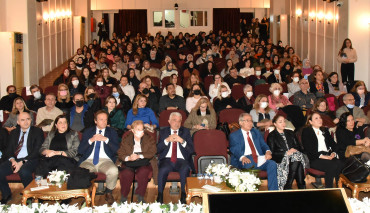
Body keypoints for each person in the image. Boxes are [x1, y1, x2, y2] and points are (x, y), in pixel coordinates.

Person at [0, 112, 44, 204]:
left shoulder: (37, 131)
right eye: (22, 120)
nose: (26, 122)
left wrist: (21, 163)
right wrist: (12, 161)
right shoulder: (13, 132)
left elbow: (36, 151)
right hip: (15, 159)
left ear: (31, 120)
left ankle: (31, 196)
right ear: (18, 122)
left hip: (31, 159)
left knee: (24, 171)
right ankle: (6, 194)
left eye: (28, 119)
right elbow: (9, 150)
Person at [77, 110, 120, 205]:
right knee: (82, 172)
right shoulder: (88, 131)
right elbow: (80, 150)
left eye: (105, 120)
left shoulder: (112, 132)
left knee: (113, 170)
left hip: (105, 160)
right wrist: (91, 140)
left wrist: (106, 140)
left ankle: (108, 192)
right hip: (88, 160)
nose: (104, 122)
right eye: (101, 120)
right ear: (95, 121)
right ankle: (86, 194)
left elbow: (117, 150)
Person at [229, 113, 278, 190]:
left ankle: (273, 191)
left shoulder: (255, 132)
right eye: (247, 121)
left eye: (251, 121)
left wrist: (268, 151)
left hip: (259, 158)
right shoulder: (234, 135)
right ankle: (251, 191)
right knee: (249, 164)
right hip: (245, 158)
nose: (250, 123)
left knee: (272, 164)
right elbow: (234, 149)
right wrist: (242, 157)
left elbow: (263, 145)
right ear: (241, 122)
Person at [157, 112, 195, 203]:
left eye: (179, 121)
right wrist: (167, 140)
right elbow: (157, 149)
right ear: (169, 121)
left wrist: (182, 141)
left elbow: (192, 150)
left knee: (185, 168)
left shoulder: (185, 131)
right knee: (163, 170)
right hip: (167, 159)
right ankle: (160, 195)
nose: (177, 123)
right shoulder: (163, 132)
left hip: (181, 160)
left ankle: (183, 194)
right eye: (174, 120)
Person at [117, 120, 157, 203]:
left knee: (144, 171)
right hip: (129, 162)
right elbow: (120, 153)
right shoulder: (126, 138)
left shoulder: (148, 137)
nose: (141, 131)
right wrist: (129, 157)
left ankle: (140, 195)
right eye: (138, 129)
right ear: (132, 130)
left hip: (143, 161)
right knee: (126, 173)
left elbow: (153, 151)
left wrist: (140, 156)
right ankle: (124, 196)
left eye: (142, 129)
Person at [301, 112, 343, 188]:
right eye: (316, 118)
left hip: (327, 155)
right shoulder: (306, 131)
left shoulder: (325, 130)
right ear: (310, 122)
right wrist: (324, 157)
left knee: (340, 163)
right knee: (332, 165)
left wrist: (333, 153)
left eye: (320, 118)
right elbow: (309, 150)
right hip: (315, 158)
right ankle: (329, 189)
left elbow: (333, 144)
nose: (319, 120)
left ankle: (339, 187)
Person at [267, 115, 306, 190]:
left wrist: (293, 150)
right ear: (275, 124)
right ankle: (301, 186)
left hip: (294, 158)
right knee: (298, 162)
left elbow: (299, 147)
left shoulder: (290, 133)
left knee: (296, 157)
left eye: (284, 121)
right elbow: (272, 153)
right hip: (281, 160)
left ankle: (288, 184)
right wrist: (286, 153)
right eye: (280, 122)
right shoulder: (272, 136)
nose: (283, 123)